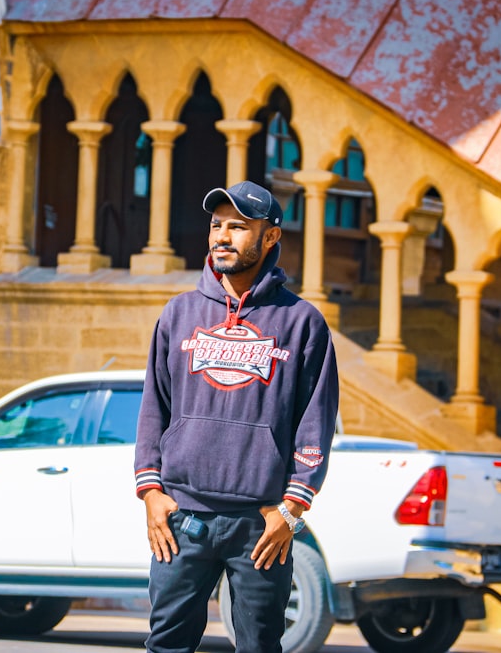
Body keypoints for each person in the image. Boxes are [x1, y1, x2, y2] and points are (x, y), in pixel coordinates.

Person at [134, 180, 339, 653]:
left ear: (270, 238)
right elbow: (153, 408)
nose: (222, 236)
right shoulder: (178, 314)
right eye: (216, 225)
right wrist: (151, 492)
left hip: (261, 522)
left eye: (239, 227)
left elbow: (316, 420)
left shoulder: (302, 322)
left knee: (259, 646)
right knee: (166, 644)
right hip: (182, 516)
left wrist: (293, 508)